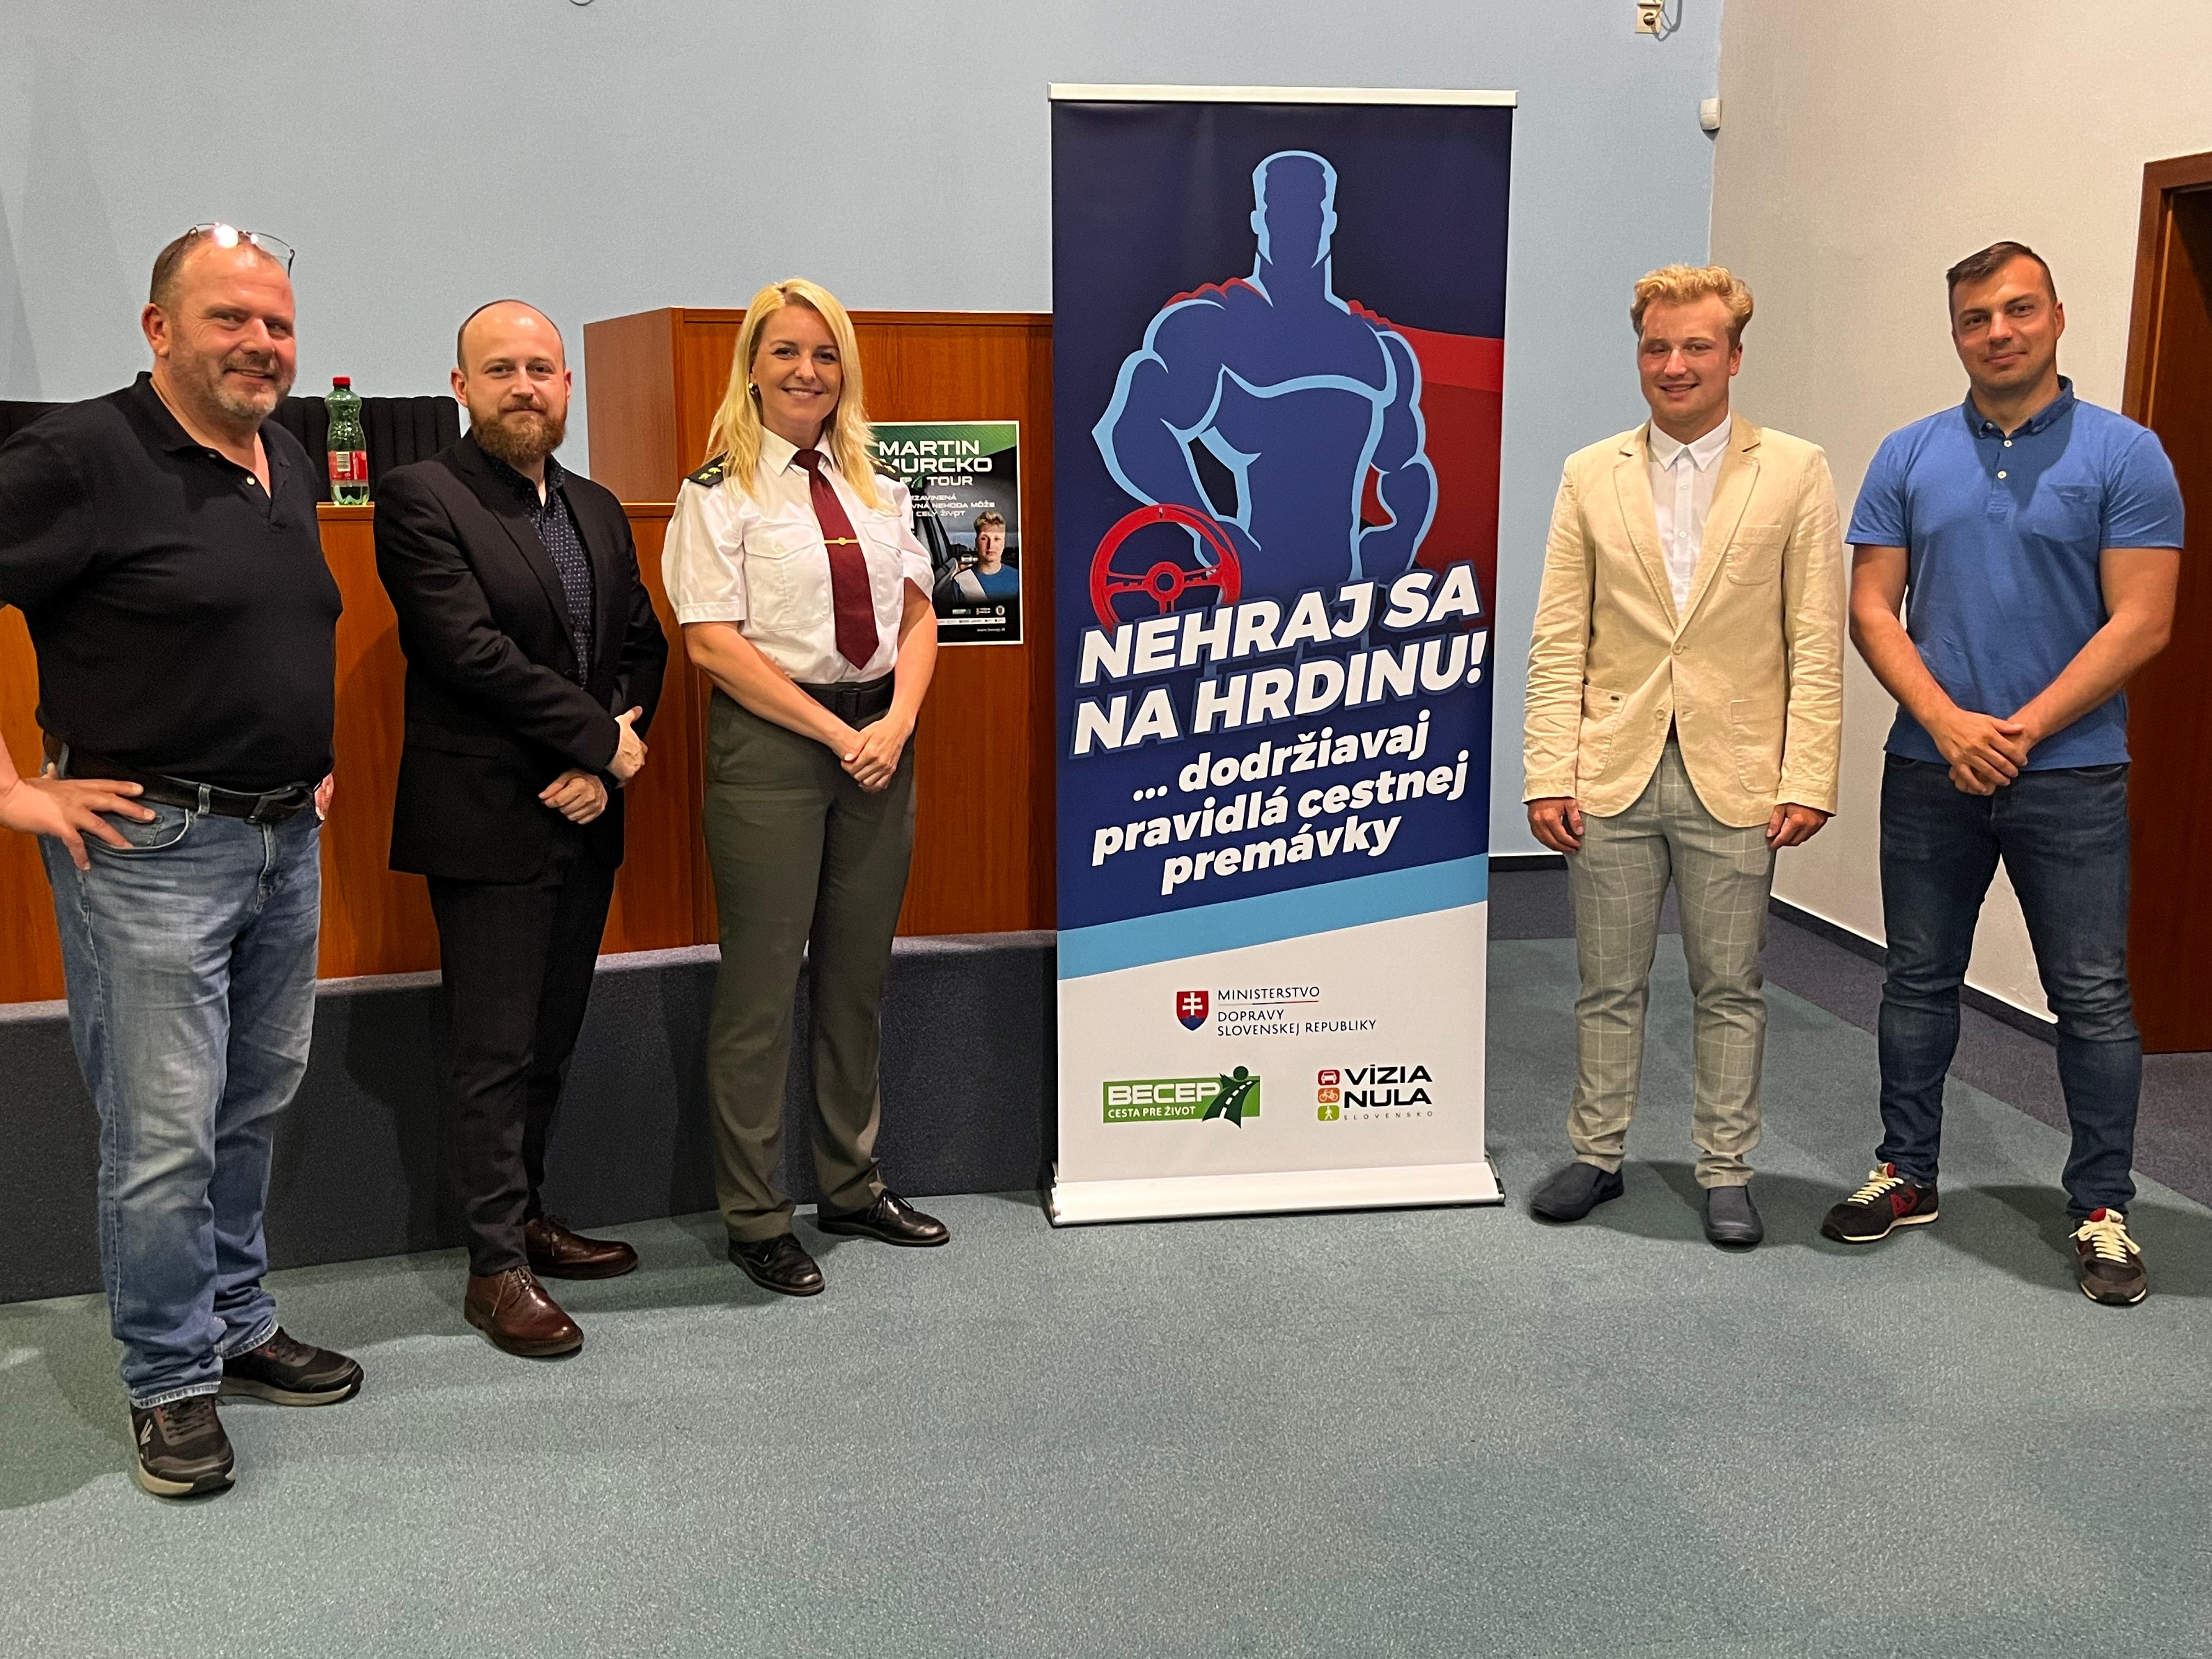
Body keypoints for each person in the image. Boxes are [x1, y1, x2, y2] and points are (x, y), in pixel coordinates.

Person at [0, 224, 363, 1499]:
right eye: (230, 319)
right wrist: (12, 791)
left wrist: (306, 758)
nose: (262, 343)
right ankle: (167, 1377)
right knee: (164, 1133)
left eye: (278, 323)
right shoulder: (81, 455)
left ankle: (236, 1321)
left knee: (250, 1101)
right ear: (159, 329)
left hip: (283, 839)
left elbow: (266, 626)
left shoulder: (286, 455)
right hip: (150, 848)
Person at [1822, 242, 2183, 1306]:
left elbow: (2143, 619)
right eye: (1976, 317)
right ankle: (1905, 1171)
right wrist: (1945, 722)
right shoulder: (1909, 453)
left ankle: (2102, 1209)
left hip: (2071, 775)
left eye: (2019, 310)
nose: (1999, 332)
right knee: (1917, 979)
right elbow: (1872, 607)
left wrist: (2016, 730)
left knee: (2091, 995)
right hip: (1928, 768)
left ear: (2057, 316)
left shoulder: (2127, 454)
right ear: (1956, 334)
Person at [1523, 264, 1845, 1249]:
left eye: (1696, 346)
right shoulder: (1589, 472)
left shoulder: (1795, 469)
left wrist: (1808, 777)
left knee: (1729, 987)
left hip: (1738, 775)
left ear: (1734, 356)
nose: (1674, 364)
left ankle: (1726, 1169)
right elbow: (1558, 637)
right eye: (1656, 346)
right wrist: (1548, 771)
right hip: (1610, 770)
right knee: (1606, 984)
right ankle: (1597, 1153)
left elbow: (1815, 640)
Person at [374, 301, 668, 1356]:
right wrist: (597, 742)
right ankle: (493, 1264)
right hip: (488, 817)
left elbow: (641, 645)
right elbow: (468, 652)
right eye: (500, 369)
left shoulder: (596, 506)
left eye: (542, 368)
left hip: (583, 814)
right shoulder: (421, 497)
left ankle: (530, 1217)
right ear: (461, 386)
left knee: (551, 1037)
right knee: (492, 1050)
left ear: (567, 385)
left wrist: (606, 757)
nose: (524, 386)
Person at [663, 278, 947, 1297]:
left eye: (825, 355)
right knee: (761, 989)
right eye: (785, 351)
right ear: (752, 365)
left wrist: (896, 725)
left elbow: (919, 617)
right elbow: (710, 643)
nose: (806, 371)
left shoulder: (879, 483)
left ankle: (852, 1184)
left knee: (856, 979)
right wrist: (837, 732)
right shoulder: (718, 490)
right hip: (776, 750)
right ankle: (755, 1214)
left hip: (880, 744)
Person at [1093, 149, 1434, 595]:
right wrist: (1210, 529)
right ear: (1259, 220)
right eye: (1282, 212)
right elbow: (1134, 426)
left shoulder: (1376, 349)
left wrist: (1396, 543)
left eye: (1309, 212)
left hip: (1345, 601)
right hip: (1251, 596)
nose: (1296, 227)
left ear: (1329, 221)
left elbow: (1405, 464)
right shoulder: (1215, 325)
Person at [950, 510, 1019, 603]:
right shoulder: (960, 581)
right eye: (984, 538)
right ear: (976, 542)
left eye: (997, 539)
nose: (990, 545)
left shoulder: (1018, 578)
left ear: (1004, 543)